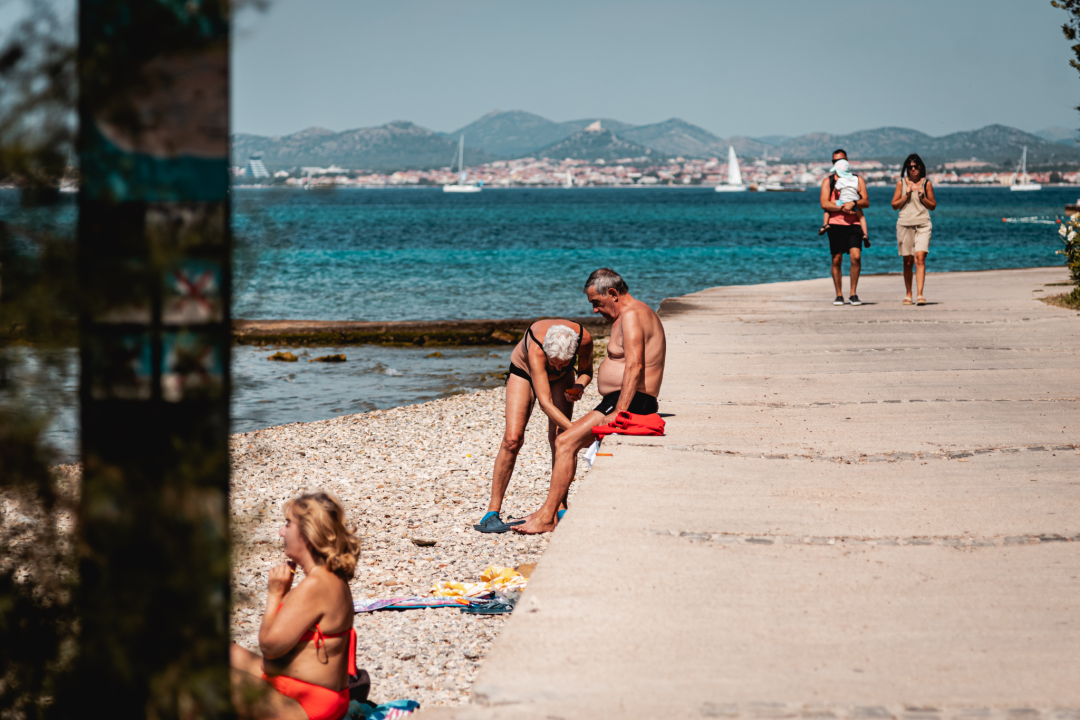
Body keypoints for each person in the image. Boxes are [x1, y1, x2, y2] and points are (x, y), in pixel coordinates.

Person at [513, 268, 666, 535]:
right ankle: (547, 511)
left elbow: (635, 365)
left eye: (597, 302)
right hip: (622, 398)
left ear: (613, 293)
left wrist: (620, 411)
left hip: (631, 400)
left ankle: (548, 516)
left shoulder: (633, 315)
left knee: (564, 441)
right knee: (565, 440)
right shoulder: (630, 315)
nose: (595, 310)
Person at [231, 492, 360, 720]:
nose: (282, 531)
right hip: (312, 694)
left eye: (288, 524)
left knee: (212, 677)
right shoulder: (330, 577)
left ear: (307, 535)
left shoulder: (316, 585)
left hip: (308, 707)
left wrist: (275, 594)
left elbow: (270, 647)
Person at [475, 320, 594, 533]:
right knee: (513, 440)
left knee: (562, 440)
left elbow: (586, 372)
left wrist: (579, 385)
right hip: (525, 373)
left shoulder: (583, 340)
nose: (557, 367)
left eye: (564, 363)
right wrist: (579, 431)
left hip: (563, 380)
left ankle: (560, 507)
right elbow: (545, 403)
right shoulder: (537, 348)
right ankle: (492, 512)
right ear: (546, 352)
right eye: (554, 362)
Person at [819, 148, 869, 306]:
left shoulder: (857, 179)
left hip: (854, 224)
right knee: (836, 259)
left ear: (847, 161)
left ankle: (853, 293)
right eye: (835, 161)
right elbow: (824, 204)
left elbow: (866, 202)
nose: (838, 163)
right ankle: (839, 294)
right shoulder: (828, 181)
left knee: (856, 257)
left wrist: (853, 203)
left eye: (841, 160)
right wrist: (842, 207)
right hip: (835, 224)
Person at [891, 153, 936, 305]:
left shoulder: (926, 184)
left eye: (916, 166)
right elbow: (894, 205)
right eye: (910, 167)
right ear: (906, 169)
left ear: (921, 167)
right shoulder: (901, 184)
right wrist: (906, 195)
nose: (913, 169)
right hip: (905, 224)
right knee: (908, 261)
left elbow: (933, 206)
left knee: (920, 258)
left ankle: (920, 294)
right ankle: (908, 294)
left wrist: (923, 198)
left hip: (923, 224)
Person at [818, 159, 869, 246]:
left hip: (843, 201)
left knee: (828, 206)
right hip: (854, 201)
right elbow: (859, 189)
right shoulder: (855, 179)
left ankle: (825, 224)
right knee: (861, 217)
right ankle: (865, 234)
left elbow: (835, 190)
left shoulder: (840, 180)